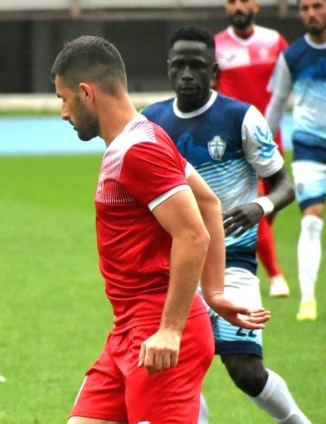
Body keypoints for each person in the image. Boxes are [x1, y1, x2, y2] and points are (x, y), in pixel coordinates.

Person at [51, 35, 269, 424]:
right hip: (128, 331)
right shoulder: (144, 136)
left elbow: (193, 233)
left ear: (86, 92)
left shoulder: (140, 150)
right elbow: (208, 203)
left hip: (159, 333)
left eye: (64, 99)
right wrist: (214, 293)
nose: (64, 112)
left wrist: (171, 329)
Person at [142, 26, 309, 424]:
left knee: (245, 370)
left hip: (234, 265)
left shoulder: (240, 117)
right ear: (168, 68)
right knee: (176, 370)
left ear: (213, 70)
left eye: (196, 66)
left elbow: (285, 185)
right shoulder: (151, 123)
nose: (187, 74)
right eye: (179, 65)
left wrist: (260, 206)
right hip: (177, 268)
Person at [215, 0, 290, 298]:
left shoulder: (274, 41)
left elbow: (290, 82)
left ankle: (245, 249)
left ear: (256, 6)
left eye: (244, 1)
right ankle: (275, 275)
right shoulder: (217, 45)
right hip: (236, 139)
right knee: (255, 200)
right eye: (232, 2)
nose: (238, 7)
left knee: (272, 200)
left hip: (271, 136)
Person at [266, 0, 326, 322]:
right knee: (311, 219)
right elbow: (277, 103)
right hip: (308, 149)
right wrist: (261, 147)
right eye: (305, 8)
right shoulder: (291, 56)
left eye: (318, 6)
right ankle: (308, 299)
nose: (311, 14)